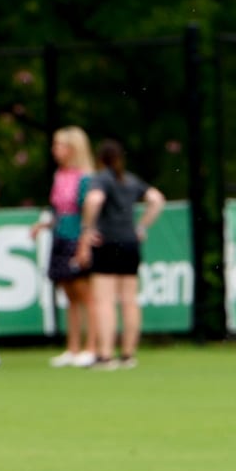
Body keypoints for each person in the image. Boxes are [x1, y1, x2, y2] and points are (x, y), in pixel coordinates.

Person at [73, 139, 165, 369]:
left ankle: (105, 355)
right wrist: (142, 227)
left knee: (105, 301)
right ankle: (128, 353)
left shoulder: (101, 178)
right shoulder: (130, 180)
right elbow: (156, 199)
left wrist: (87, 229)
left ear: (100, 158)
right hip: (130, 243)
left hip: (107, 242)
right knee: (129, 300)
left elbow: (95, 200)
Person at [31, 126, 97, 367]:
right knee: (69, 295)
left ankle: (92, 347)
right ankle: (73, 347)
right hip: (60, 236)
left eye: (59, 145)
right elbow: (61, 212)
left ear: (73, 149)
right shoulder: (60, 175)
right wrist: (44, 226)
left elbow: (86, 214)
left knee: (85, 294)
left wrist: (84, 244)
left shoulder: (86, 178)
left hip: (77, 238)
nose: (54, 150)